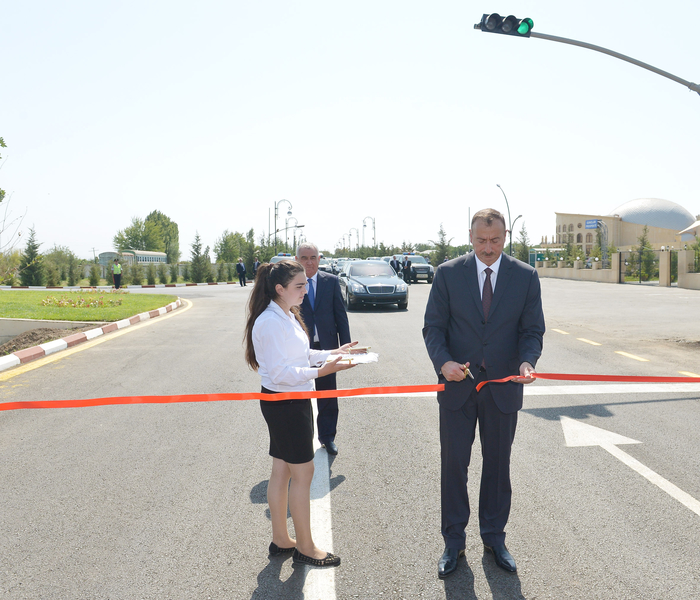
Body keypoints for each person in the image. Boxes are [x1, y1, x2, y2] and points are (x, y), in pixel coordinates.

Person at [422, 208, 545, 578]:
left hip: (503, 389)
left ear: (505, 236)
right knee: (454, 466)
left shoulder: (525, 276)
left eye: (494, 240)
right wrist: (442, 363)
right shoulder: (447, 274)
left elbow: (532, 330)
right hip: (457, 388)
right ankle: (453, 543)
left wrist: (527, 362)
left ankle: (494, 538)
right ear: (470, 236)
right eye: (480, 240)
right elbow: (433, 328)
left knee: (497, 467)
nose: (488, 248)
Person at [244, 260, 361, 568]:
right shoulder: (270, 321)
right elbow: (282, 373)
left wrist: (335, 352)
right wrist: (322, 370)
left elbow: (302, 354)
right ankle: (305, 546)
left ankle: (282, 540)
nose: (305, 290)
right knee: (303, 474)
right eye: (299, 285)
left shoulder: (286, 314)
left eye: (306, 284)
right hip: (285, 404)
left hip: (291, 401)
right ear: (279, 289)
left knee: (282, 471)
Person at [296, 242, 351, 455]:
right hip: (301, 350)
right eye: (304, 258)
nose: (309, 262)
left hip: (328, 349)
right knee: (301, 396)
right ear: (297, 260)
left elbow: (341, 317)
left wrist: (345, 349)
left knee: (327, 395)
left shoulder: (331, 282)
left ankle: (328, 438)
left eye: (313, 257)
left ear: (319, 259)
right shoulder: (292, 283)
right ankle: (302, 440)